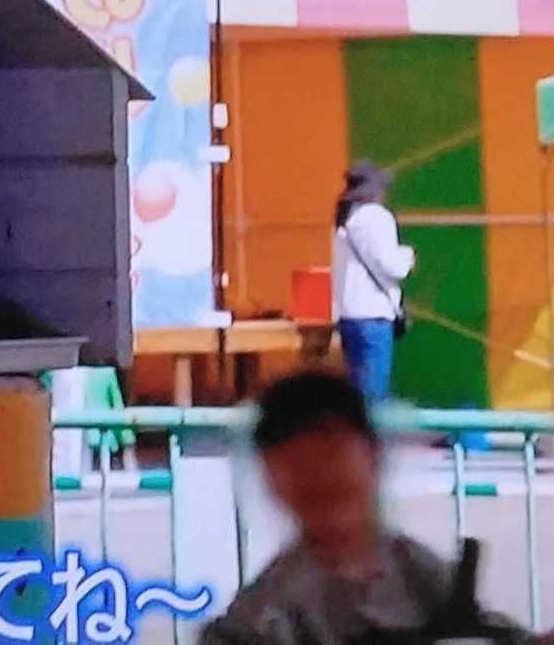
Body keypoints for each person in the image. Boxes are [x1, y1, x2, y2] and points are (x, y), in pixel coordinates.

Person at [201, 370, 552, 644]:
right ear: (273, 480)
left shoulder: (419, 574)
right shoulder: (263, 619)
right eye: (299, 465)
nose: (320, 476)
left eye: (332, 453)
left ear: (373, 455)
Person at [332, 160, 413, 403]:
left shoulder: (344, 219)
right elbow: (391, 265)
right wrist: (407, 257)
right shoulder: (377, 217)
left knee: (356, 388)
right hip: (374, 314)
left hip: (347, 314)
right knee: (373, 391)